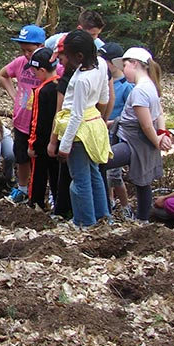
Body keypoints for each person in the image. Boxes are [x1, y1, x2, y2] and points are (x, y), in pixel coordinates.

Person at [49, 30, 112, 227]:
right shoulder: (101, 64)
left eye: (66, 56)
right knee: (94, 174)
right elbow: (104, 97)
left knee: (80, 180)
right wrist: (97, 117)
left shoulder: (82, 79)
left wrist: (64, 146)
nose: (64, 60)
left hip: (79, 131)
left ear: (79, 56)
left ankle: (84, 221)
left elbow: (76, 115)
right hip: (94, 122)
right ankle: (103, 217)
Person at [103, 47, 172, 223]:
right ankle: (143, 219)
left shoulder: (140, 90)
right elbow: (159, 115)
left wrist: (157, 139)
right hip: (139, 140)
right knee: (143, 182)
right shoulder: (151, 86)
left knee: (100, 162)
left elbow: (146, 123)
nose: (123, 70)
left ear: (134, 64)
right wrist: (162, 134)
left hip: (133, 142)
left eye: (125, 65)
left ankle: (104, 210)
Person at [0, 24, 62, 204]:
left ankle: (50, 194)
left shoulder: (52, 66)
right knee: (22, 157)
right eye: (23, 50)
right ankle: (23, 188)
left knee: (45, 160)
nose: (26, 54)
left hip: (43, 123)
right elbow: (3, 74)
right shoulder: (21, 63)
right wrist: (14, 96)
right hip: (22, 119)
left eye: (29, 49)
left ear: (41, 46)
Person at [101, 42, 134, 219]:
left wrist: (110, 122)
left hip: (116, 136)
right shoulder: (104, 81)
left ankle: (125, 205)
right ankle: (109, 202)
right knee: (103, 172)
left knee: (114, 175)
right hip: (102, 133)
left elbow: (130, 115)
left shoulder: (128, 87)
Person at [26, 47, 60, 211]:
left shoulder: (41, 91)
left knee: (38, 175)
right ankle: (59, 205)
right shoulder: (61, 85)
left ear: (42, 70)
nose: (33, 74)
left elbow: (36, 120)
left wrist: (32, 144)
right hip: (57, 139)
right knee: (56, 174)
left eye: (34, 71)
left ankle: (36, 203)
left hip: (42, 142)